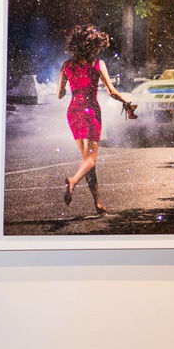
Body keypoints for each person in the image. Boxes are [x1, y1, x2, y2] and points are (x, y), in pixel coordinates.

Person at [57, 24, 132, 213]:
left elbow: (59, 95)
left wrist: (67, 87)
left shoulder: (66, 65)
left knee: (87, 160)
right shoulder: (97, 64)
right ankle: (73, 180)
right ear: (93, 46)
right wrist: (126, 101)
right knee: (90, 159)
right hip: (90, 113)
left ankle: (97, 202)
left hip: (73, 112)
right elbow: (111, 91)